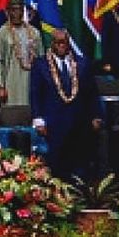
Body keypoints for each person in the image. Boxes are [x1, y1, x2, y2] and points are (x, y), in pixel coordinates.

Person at [30, 28, 103, 184]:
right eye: (58, 42)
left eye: (65, 42)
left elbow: (92, 93)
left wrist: (96, 115)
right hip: (53, 122)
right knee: (57, 165)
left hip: (79, 122)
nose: (62, 45)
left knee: (80, 164)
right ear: (52, 44)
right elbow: (35, 94)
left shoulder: (82, 63)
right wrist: (38, 119)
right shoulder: (40, 65)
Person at [0, 0, 44, 107]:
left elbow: (41, 60)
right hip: (11, 81)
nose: (17, 14)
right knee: (13, 114)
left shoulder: (35, 33)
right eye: (13, 10)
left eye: (19, 10)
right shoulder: (1, 34)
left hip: (31, 80)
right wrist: (0, 86)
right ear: (7, 12)